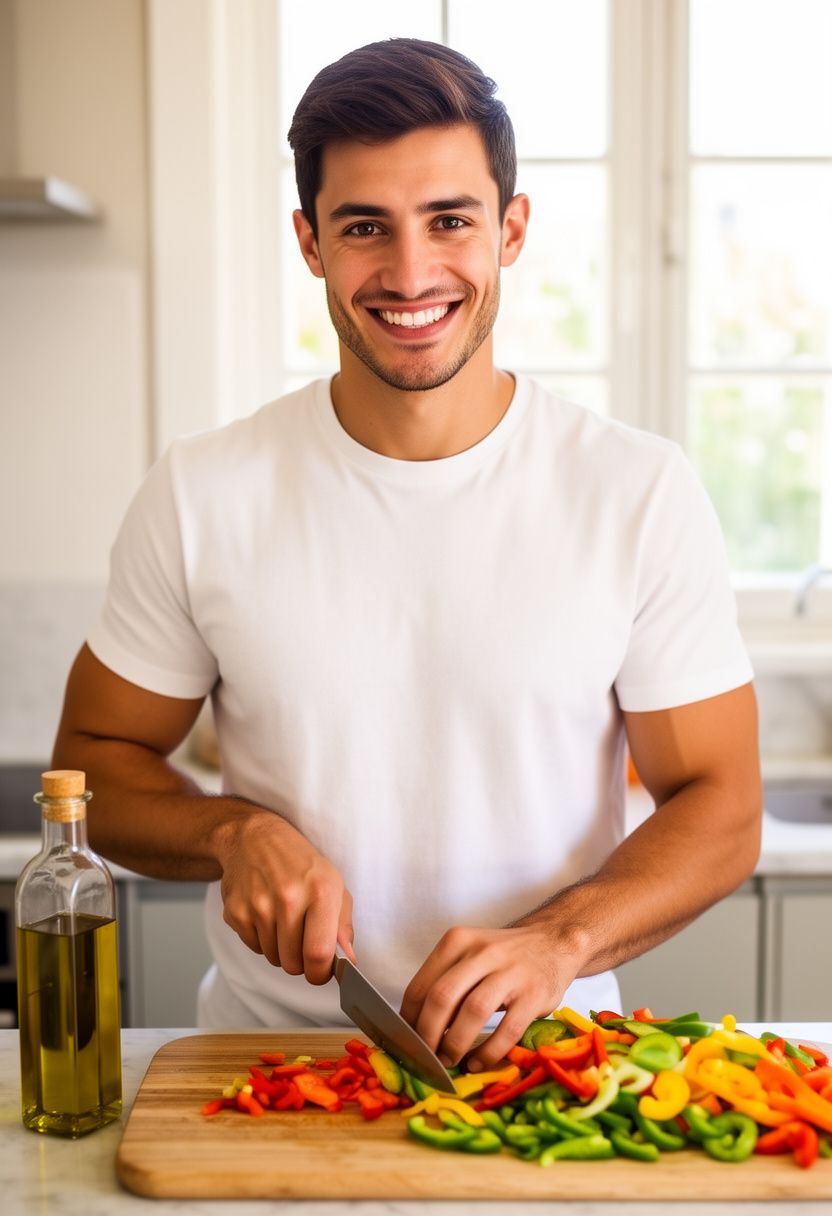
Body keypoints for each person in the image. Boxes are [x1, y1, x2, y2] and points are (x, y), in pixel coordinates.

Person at [52, 38, 761, 1072]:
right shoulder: (203, 492)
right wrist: (229, 833)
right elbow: (91, 765)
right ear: (309, 242)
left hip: (546, 1067)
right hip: (270, 1069)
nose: (411, 272)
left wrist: (561, 939)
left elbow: (722, 803)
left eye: (449, 221)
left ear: (510, 229)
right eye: (364, 228)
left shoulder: (634, 492)